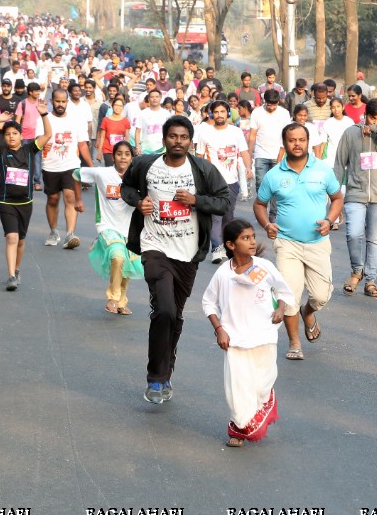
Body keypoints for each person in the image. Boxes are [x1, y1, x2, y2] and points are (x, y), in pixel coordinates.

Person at [120, 115, 231, 404]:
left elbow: (224, 202)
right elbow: (127, 187)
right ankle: (155, 380)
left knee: (175, 315)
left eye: (183, 137)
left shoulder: (203, 170)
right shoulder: (146, 164)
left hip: (188, 252)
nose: (178, 141)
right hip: (154, 246)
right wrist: (138, 201)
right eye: (173, 136)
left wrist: (196, 201)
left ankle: (166, 372)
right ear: (164, 139)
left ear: (190, 141)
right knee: (165, 310)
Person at [202, 219, 295, 446]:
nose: (252, 242)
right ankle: (238, 429)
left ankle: (257, 409)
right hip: (235, 340)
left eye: (253, 237)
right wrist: (219, 330)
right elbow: (208, 303)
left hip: (264, 337)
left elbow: (284, 292)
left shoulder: (264, 267)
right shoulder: (223, 273)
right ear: (231, 245)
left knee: (263, 384)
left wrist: (281, 309)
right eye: (245, 238)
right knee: (237, 390)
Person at [254, 123, 343, 360]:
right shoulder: (274, 175)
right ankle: (294, 343)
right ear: (285, 143)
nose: (297, 144)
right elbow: (259, 204)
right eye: (292, 140)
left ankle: (308, 312)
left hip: (317, 242)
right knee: (288, 294)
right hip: (287, 243)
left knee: (321, 295)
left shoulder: (322, 170)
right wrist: (266, 225)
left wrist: (329, 219)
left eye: (301, 140)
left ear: (307, 141)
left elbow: (336, 198)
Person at [0, 104, 53, 290]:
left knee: (21, 240)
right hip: (7, 202)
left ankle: (17, 269)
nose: (11, 137)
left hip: (25, 203)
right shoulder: (1, 151)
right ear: (4, 137)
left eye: (15, 134)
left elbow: (47, 135)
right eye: (8, 134)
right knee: (11, 237)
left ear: (21, 136)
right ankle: (11, 276)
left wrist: (44, 114)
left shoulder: (29, 150)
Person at [333, 98, 377, 298]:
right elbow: (339, 164)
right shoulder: (350, 133)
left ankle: (370, 280)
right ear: (365, 116)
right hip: (355, 192)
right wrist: (334, 195)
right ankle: (357, 270)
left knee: (374, 239)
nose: (375, 122)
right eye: (372, 119)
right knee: (353, 234)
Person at [75, 140, 143, 314]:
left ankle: (121, 302)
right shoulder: (102, 174)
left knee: (127, 265)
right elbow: (76, 174)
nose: (123, 157)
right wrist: (78, 199)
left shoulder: (137, 178)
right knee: (118, 257)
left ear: (132, 157)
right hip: (107, 227)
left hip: (131, 229)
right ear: (113, 157)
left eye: (127, 154)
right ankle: (113, 297)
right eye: (119, 153)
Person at [195, 100, 252, 264]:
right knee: (215, 217)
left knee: (228, 217)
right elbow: (199, 157)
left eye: (222, 111)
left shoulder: (236, 132)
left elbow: (244, 152)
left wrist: (248, 168)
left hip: (232, 181)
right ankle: (216, 249)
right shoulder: (204, 132)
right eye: (216, 112)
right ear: (211, 114)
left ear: (228, 113)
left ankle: (227, 247)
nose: (219, 115)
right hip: (213, 182)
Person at [41, 88, 91, 249]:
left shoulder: (76, 120)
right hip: (50, 166)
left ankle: (70, 234)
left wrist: (91, 167)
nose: (60, 104)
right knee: (53, 199)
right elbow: (38, 142)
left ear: (67, 102)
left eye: (63, 101)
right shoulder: (44, 118)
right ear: (52, 102)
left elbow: (82, 145)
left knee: (70, 197)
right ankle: (54, 231)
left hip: (71, 165)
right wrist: (43, 144)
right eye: (57, 101)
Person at [247, 89, 292, 220]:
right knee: (261, 183)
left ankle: (274, 214)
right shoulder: (257, 113)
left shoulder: (284, 114)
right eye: (269, 104)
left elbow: (286, 136)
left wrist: (281, 157)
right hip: (260, 153)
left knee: (276, 185)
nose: (272, 107)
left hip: (278, 153)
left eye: (274, 104)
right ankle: (262, 211)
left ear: (278, 102)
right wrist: (249, 155)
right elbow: (252, 135)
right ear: (264, 101)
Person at [133, 89, 171, 155]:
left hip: (162, 149)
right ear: (149, 99)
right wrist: (137, 147)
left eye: (157, 97)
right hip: (146, 150)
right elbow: (137, 131)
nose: (154, 99)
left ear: (160, 98)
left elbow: (170, 131)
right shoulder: (142, 113)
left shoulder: (166, 114)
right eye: (152, 97)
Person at [97, 97, 131, 165]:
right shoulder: (106, 120)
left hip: (121, 151)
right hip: (108, 151)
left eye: (120, 106)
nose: (118, 107)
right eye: (116, 105)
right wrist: (99, 152)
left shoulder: (125, 121)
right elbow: (102, 137)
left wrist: (128, 153)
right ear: (112, 106)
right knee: (110, 171)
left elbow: (127, 138)